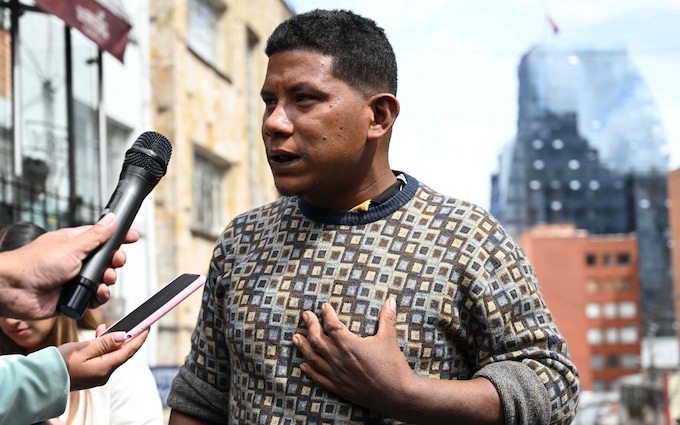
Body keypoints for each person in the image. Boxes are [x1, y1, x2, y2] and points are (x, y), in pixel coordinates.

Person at [167, 9, 580, 425]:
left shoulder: (468, 238)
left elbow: (555, 387)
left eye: (303, 99)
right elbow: (201, 398)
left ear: (378, 116)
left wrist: (405, 394)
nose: (274, 122)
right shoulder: (243, 240)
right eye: (269, 102)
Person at [0, 222, 164, 425]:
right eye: (2, 304)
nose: (12, 319)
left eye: (21, 291)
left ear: (58, 282)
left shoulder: (111, 361)